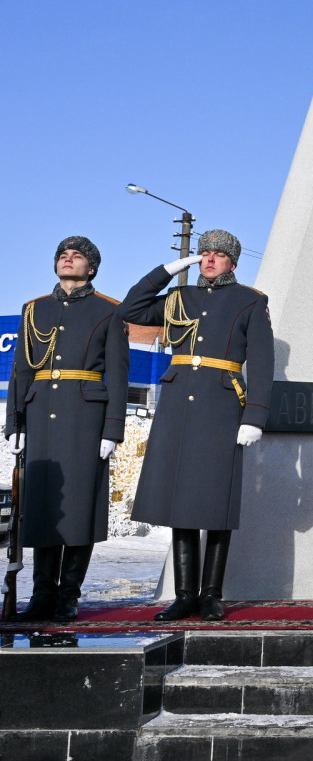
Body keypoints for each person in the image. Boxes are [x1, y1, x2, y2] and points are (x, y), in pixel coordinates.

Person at [119, 230, 273, 621]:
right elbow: (130, 311)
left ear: (232, 263)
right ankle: (184, 594)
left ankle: (211, 595)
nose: (208, 259)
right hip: (177, 406)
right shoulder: (177, 298)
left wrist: (253, 415)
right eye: (203, 253)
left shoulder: (250, 301)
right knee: (180, 501)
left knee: (216, 502)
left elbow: (262, 362)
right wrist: (168, 270)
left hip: (222, 406)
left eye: (218, 255)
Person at [4, 238, 129, 622]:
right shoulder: (34, 309)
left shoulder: (108, 311)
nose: (67, 258)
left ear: (91, 268)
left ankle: (68, 596)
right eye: (62, 254)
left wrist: (112, 429)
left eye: (76, 256)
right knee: (41, 508)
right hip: (40, 414)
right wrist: (15, 423)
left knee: (79, 508)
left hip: (85, 418)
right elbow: (22, 370)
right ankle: (41, 595)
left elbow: (120, 376)